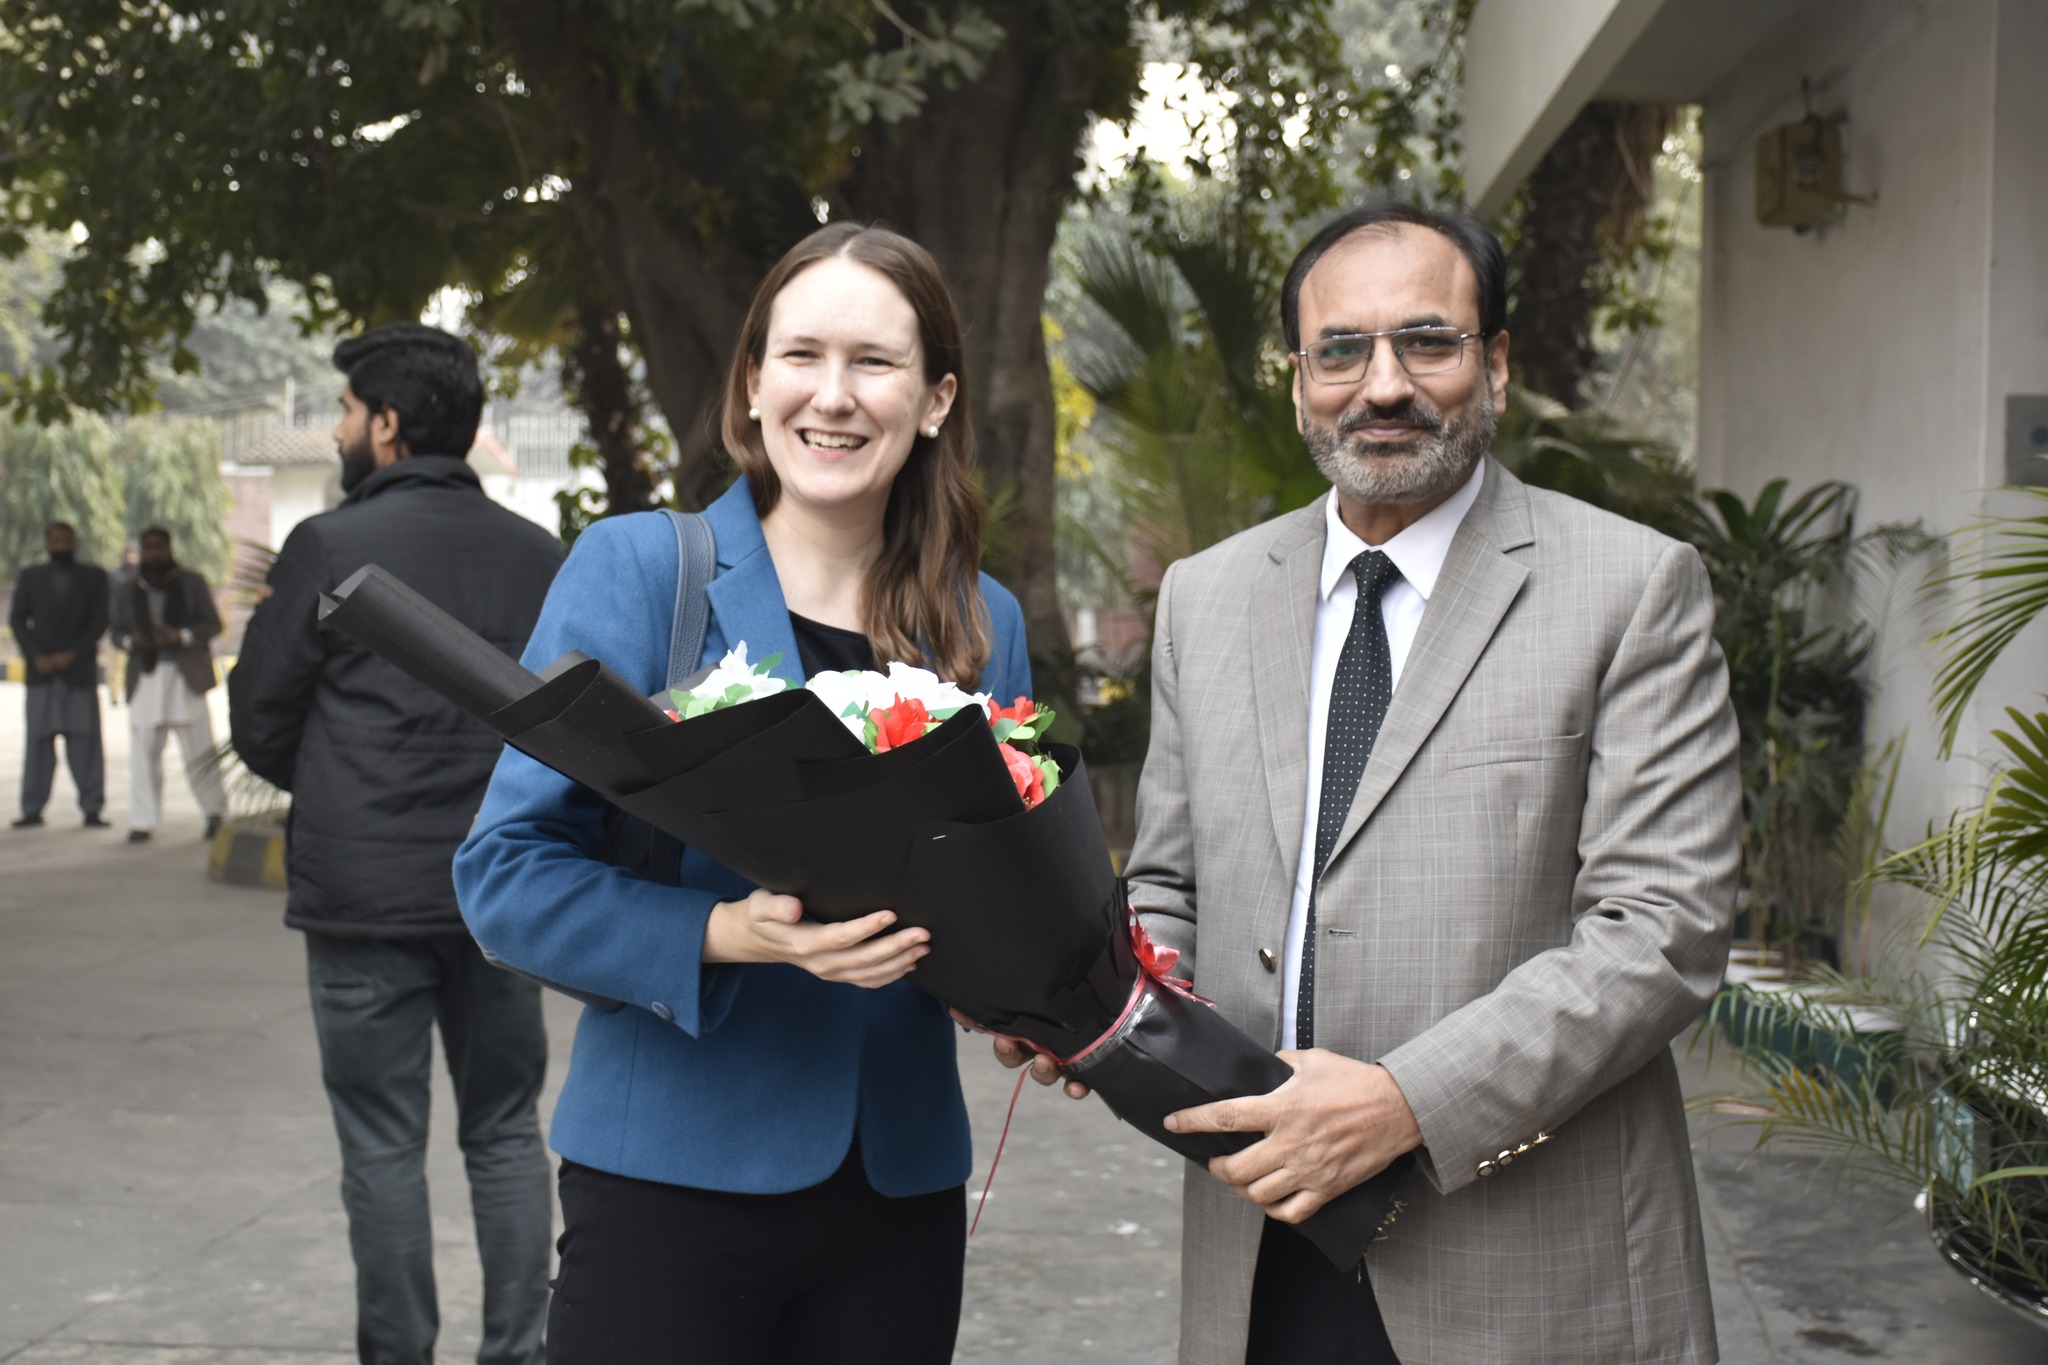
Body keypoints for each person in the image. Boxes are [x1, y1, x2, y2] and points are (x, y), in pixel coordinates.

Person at [997, 203, 1741, 1364]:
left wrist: (1402, 1102)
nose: (1381, 385)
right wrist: (1085, 1004)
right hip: (1261, 1247)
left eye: (1426, 342)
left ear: (1495, 362)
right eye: (1340, 350)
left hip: (1525, 1265)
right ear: (1300, 381)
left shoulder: (1629, 588)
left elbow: (1661, 929)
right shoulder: (1206, 596)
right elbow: (1169, 888)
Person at [453, 222, 1032, 1365]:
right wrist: (728, 934)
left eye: (875, 362)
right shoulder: (640, 573)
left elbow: (998, 888)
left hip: (898, 1193)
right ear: (753, 384)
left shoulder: (979, 621)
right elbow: (506, 878)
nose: (834, 394)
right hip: (669, 1180)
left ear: (934, 400)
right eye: (802, 355)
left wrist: (1033, 996)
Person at [227, 323, 565, 1365]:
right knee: (506, 1130)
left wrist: (346, 790)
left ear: (385, 425)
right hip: (501, 894)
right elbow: (569, 729)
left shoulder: (328, 547)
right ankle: (519, 1351)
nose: (337, 430)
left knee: (380, 1143)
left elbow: (260, 720)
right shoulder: (538, 555)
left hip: (363, 903)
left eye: (343, 412)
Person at [110, 526, 226, 843]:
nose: (154, 553)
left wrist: (182, 636)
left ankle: (215, 813)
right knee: (143, 752)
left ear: (169, 548)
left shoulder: (191, 582)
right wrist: (130, 641)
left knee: (199, 750)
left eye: (159, 546)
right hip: (146, 676)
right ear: (141, 551)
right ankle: (143, 821)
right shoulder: (128, 587)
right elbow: (116, 631)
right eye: (149, 547)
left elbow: (212, 624)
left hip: (185, 675)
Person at [9, 522, 110, 829]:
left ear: (74, 542)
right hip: (41, 674)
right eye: (55, 540)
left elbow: (99, 620)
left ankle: (92, 808)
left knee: (85, 742)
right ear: (47, 544)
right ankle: (32, 809)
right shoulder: (31, 577)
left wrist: (72, 653)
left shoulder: (93, 576)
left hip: (77, 673)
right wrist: (36, 656)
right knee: (38, 744)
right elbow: (18, 620)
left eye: (66, 539)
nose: (61, 545)